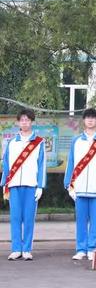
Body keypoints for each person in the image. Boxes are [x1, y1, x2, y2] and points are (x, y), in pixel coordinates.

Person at [64, 108, 96, 261]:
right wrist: (68, 185)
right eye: (88, 118)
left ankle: (92, 248)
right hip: (79, 187)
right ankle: (81, 249)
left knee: (95, 221)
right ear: (84, 121)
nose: (90, 120)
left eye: (93, 118)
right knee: (80, 220)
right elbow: (70, 163)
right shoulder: (76, 141)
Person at [1, 108, 46, 261]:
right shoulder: (12, 143)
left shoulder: (39, 142)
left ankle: (26, 249)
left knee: (28, 218)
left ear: (31, 122)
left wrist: (40, 185)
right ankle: (16, 249)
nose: (24, 122)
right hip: (13, 185)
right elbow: (6, 165)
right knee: (15, 217)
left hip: (31, 185)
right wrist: (4, 185)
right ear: (18, 122)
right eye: (22, 120)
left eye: (27, 120)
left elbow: (42, 165)